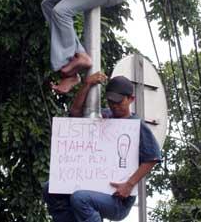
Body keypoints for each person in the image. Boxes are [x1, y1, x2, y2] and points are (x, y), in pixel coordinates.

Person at [43, 72, 161, 222]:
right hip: (92, 187)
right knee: (50, 189)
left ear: (131, 99)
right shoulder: (103, 115)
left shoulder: (136, 125)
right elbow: (75, 113)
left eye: (119, 102)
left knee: (80, 198)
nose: (114, 106)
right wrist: (87, 85)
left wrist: (129, 185)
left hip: (117, 200)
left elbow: (153, 157)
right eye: (111, 101)